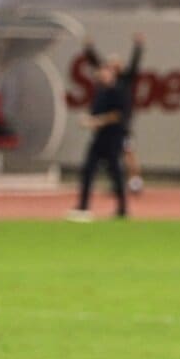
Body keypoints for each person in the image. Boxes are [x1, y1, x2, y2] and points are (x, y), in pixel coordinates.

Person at [83, 34, 144, 194]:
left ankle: (135, 181)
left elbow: (134, 66)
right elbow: (96, 63)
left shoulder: (124, 80)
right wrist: (89, 49)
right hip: (107, 127)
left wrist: (138, 47)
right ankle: (118, 184)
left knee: (128, 151)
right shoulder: (107, 83)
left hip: (121, 125)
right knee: (112, 157)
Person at [68, 60, 127, 221]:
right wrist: (89, 120)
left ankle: (122, 208)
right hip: (99, 138)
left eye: (106, 72)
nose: (102, 75)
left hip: (113, 138)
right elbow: (95, 114)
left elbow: (117, 115)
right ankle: (83, 206)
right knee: (88, 170)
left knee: (115, 173)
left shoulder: (118, 91)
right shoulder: (100, 92)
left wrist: (97, 121)